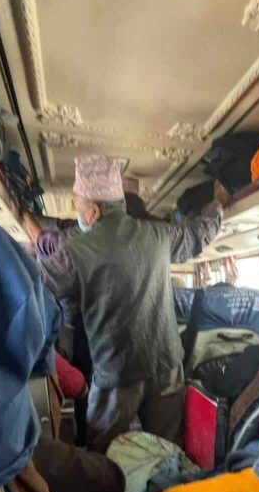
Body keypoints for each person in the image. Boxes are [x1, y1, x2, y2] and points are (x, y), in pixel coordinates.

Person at [24, 154, 226, 452]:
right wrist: (217, 203)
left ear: (93, 210)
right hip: (167, 365)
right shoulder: (159, 234)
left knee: (104, 453)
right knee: (167, 449)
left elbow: (30, 288)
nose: (78, 213)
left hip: (117, 373)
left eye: (77, 205)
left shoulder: (72, 251)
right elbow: (199, 234)